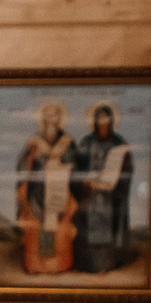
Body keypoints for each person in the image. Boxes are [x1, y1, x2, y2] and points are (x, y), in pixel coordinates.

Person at [70, 101, 136, 274]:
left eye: (106, 119)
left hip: (109, 196)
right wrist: (84, 180)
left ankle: (105, 265)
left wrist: (114, 180)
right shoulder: (86, 142)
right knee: (84, 227)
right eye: (100, 119)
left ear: (112, 121)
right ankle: (85, 265)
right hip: (88, 194)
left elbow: (127, 169)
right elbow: (75, 165)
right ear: (95, 121)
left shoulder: (119, 143)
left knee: (106, 228)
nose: (103, 123)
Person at [15, 100, 77, 275]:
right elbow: (21, 166)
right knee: (37, 224)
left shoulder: (67, 142)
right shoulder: (34, 141)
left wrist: (63, 162)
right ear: (43, 118)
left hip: (60, 191)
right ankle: (36, 266)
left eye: (55, 115)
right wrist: (31, 156)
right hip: (37, 191)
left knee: (59, 225)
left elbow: (76, 165)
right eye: (48, 115)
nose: (51, 118)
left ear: (59, 118)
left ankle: (58, 266)